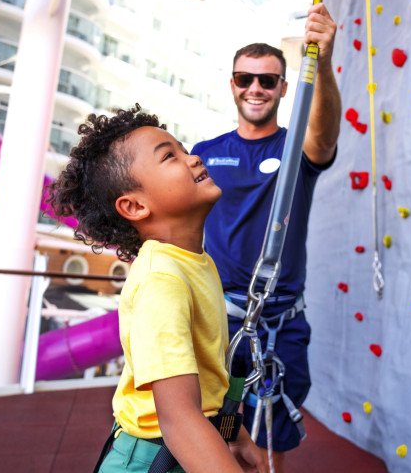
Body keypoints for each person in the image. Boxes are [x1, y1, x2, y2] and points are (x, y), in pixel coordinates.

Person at [48, 104, 267, 473]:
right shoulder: (161, 279)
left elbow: (211, 386)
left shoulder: (196, 261)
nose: (193, 158)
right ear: (134, 206)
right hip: (153, 459)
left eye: (183, 149)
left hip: (188, 447)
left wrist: (236, 437)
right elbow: (179, 419)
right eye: (170, 157)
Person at [191, 3, 342, 471]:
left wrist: (323, 62)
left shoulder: (296, 148)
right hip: (221, 316)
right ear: (232, 84)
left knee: (275, 432)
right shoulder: (205, 153)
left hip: (280, 321)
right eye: (245, 78)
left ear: (281, 88)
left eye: (267, 80)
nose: (255, 88)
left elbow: (324, 134)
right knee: (220, 425)